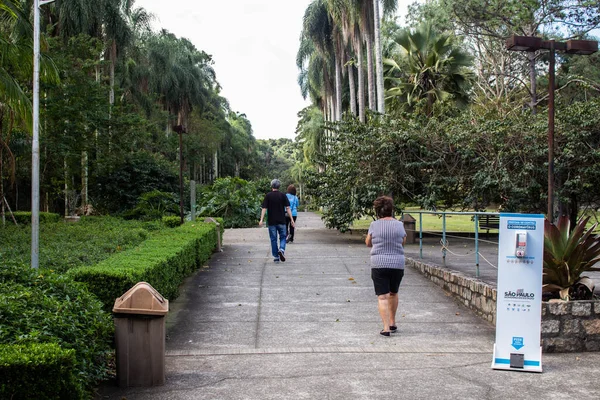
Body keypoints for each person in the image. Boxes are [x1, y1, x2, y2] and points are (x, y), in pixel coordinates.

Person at [365, 196, 407, 337]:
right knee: (393, 292)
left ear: (377, 211)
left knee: (383, 296)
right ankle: (392, 322)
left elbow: (368, 243)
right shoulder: (399, 225)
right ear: (391, 210)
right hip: (397, 264)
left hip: (379, 263)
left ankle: (385, 328)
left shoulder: (374, 225)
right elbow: (403, 241)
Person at [259, 179, 295, 262]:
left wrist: (261, 219)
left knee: (273, 239)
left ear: (272, 186)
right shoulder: (283, 195)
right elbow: (288, 208)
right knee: (283, 237)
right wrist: (292, 220)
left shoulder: (268, 195)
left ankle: (276, 257)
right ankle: (281, 249)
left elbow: (264, 208)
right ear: (279, 186)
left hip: (271, 222)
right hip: (282, 221)